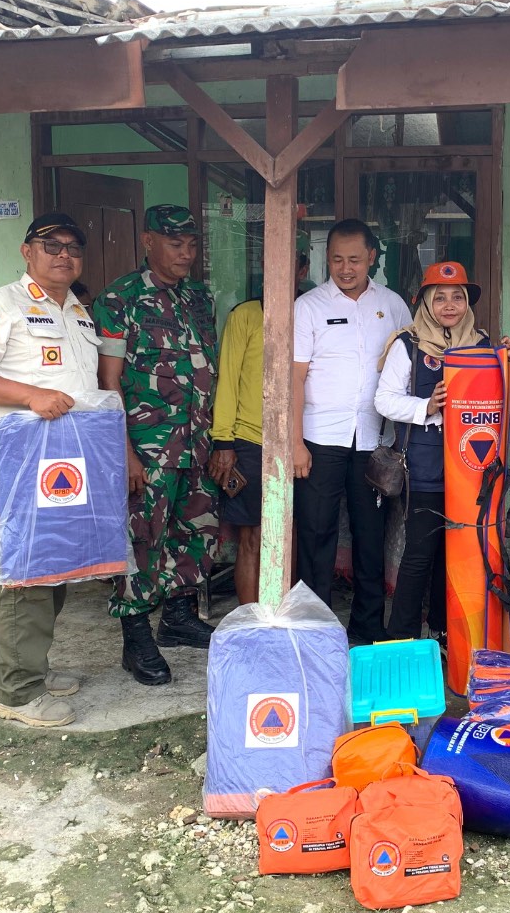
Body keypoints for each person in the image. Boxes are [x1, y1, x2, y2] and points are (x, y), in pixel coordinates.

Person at [0, 212, 101, 728]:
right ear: (27, 252)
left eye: (73, 247)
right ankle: (17, 693)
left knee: (54, 571)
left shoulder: (79, 312)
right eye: (51, 245)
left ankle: (33, 667)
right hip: (14, 466)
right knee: (22, 577)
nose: (64, 255)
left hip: (64, 467)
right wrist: (31, 395)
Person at [92, 204, 220, 686]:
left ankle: (179, 617)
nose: (186, 254)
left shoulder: (199, 298)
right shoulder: (119, 300)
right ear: (148, 242)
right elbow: (108, 383)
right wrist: (124, 452)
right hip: (148, 448)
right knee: (143, 538)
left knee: (195, 530)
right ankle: (136, 637)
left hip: (197, 442)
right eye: (175, 244)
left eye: (192, 245)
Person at [293, 219, 412, 644]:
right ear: (327, 259)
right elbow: (295, 377)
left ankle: (367, 629)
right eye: (337, 260)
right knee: (315, 533)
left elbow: (410, 366)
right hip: (319, 439)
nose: (346, 268)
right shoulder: (308, 306)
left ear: (372, 259)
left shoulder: (393, 305)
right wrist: (294, 442)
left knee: (370, 536)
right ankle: (316, 630)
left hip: (374, 442)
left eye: (355, 260)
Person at [374, 262, 490, 641]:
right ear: (424, 303)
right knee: (420, 554)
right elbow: (384, 400)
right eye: (439, 298)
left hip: (470, 469)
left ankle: (444, 634)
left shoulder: (482, 346)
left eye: (458, 297)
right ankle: (401, 639)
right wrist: (427, 406)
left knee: (455, 555)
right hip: (424, 468)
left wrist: (507, 363)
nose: (449, 305)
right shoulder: (408, 345)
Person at [209, 252, 311, 605]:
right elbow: (228, 381)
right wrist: (224, 441)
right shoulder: (245, 315)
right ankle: (251, 619)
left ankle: (283, 614)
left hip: (300, 442)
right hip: (250, 440)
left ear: (302, 270)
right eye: (270, 265)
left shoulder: (310, 313)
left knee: (291, 535)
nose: (278, 273)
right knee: (252, 536)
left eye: (289, 266)